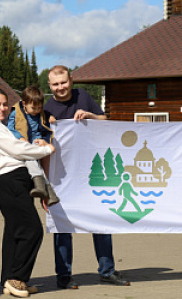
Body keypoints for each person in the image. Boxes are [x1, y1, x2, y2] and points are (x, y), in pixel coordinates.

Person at [43, 65, 130, 290]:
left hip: (92, 174)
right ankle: (63, 276)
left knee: (101, 222)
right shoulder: (47, 108)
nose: (60, 87)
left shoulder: (83, 96)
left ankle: (107, 271)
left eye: (64, 82)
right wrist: (49, 126)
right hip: (62, 178)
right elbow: (39, 143)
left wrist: (90, 116)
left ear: (71, 80)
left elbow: (105, 121)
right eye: (55, 84)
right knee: (62, 227)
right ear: (49, 86)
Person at [0, 88, 55, 298]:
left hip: (15, 180)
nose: (3, 108)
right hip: (9, 180)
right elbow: (17, 149)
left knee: (14, 232)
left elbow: (19, 146)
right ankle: (17, 277)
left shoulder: (1, 125)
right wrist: (46, 150)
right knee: (33, 230)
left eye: (5, 104)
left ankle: (12, 280)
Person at [6, 85, 59, 205]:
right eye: (33, 108)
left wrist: (44, 140)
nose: (36, 111)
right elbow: (10, 128)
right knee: (30, 158)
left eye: (39, 108)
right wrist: (19, 137)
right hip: (22, 144)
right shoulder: (15, 112)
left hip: (35, 142)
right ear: (24, 103)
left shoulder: (42, 114)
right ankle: (50, 193)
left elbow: (46, 129)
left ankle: (40, 186)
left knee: (30, 157)